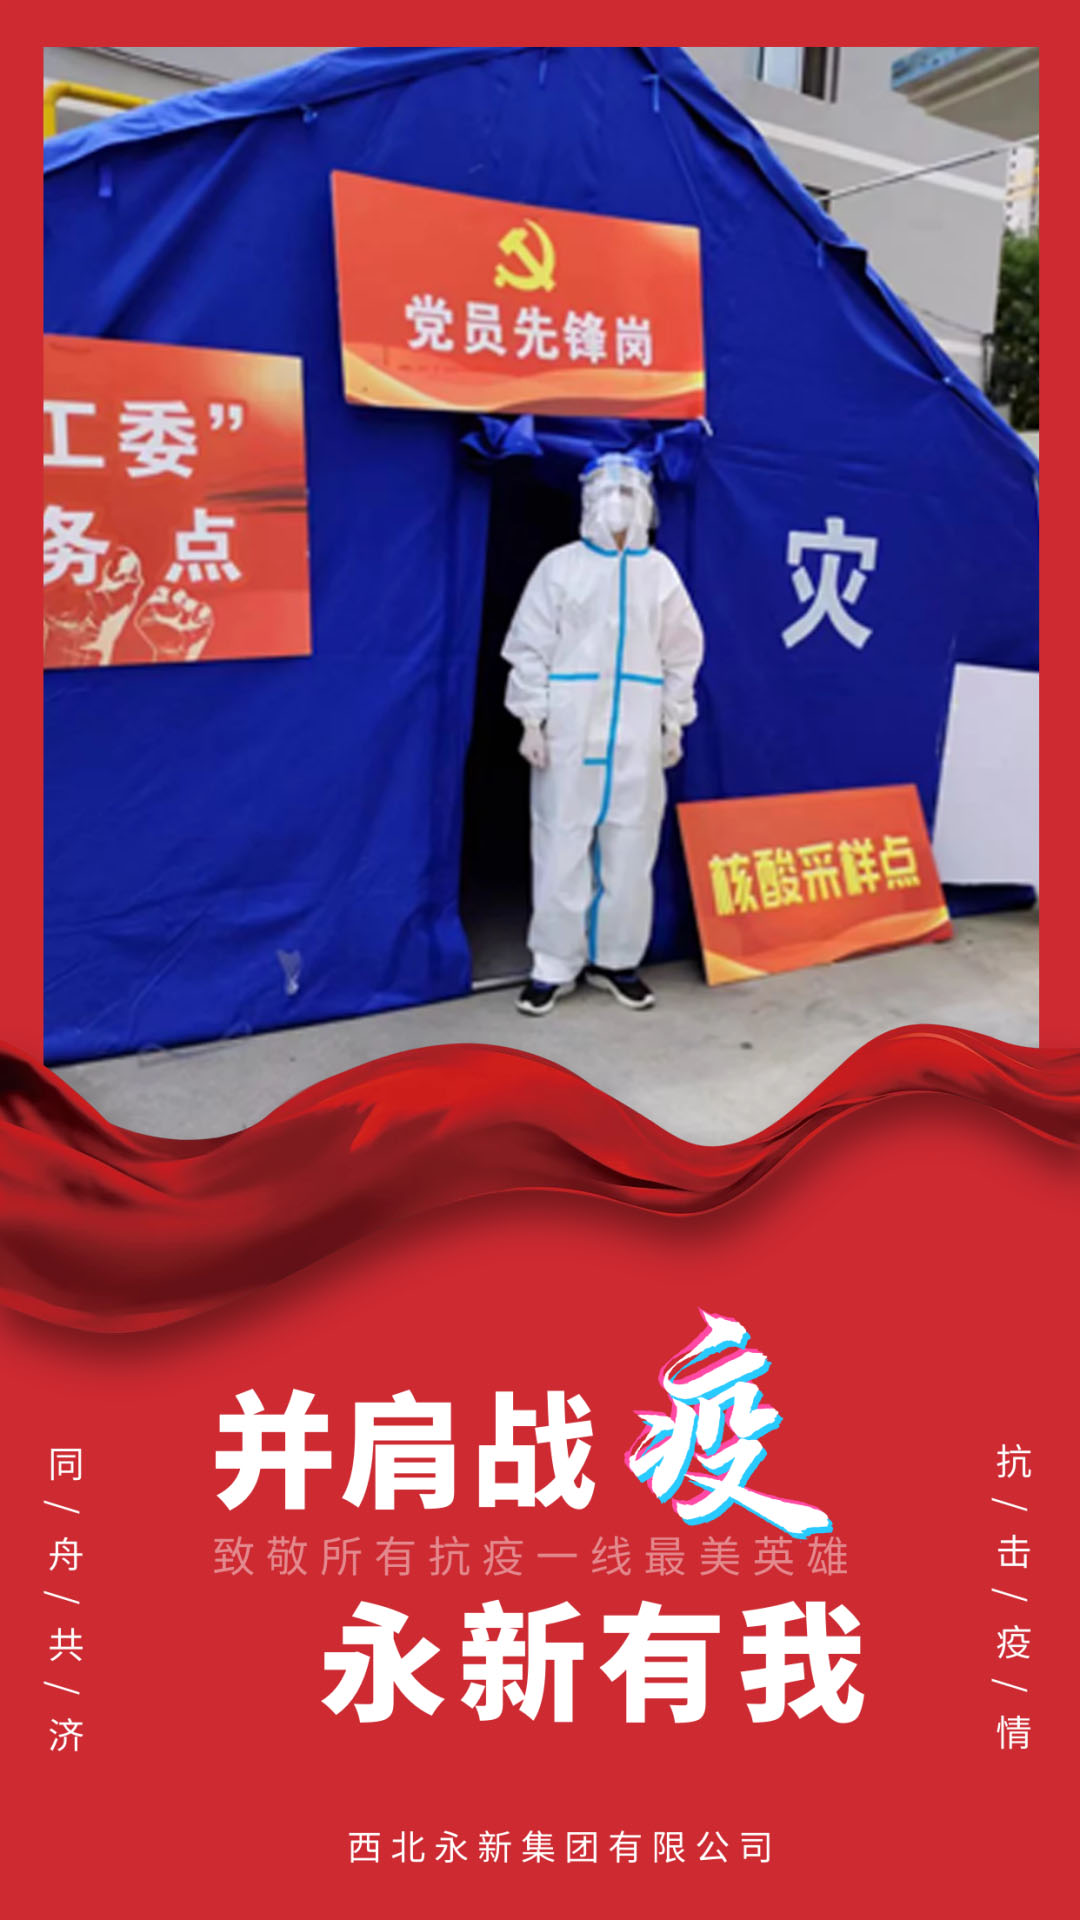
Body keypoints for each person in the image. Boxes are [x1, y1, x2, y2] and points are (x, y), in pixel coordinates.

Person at [503, 452, 705, 1014]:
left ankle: (616, 961)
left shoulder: (659, 574)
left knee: (631, 844)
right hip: (569, 729)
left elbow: (682, 652)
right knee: (560, 840)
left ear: (646, 503)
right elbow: (530, 646)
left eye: (629, 492)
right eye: (608, 492)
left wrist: (673, 721)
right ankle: (552, 964)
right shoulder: (560, 567)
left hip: (636, 729)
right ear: (588, 500)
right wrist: (531, 718)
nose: (618, 504)